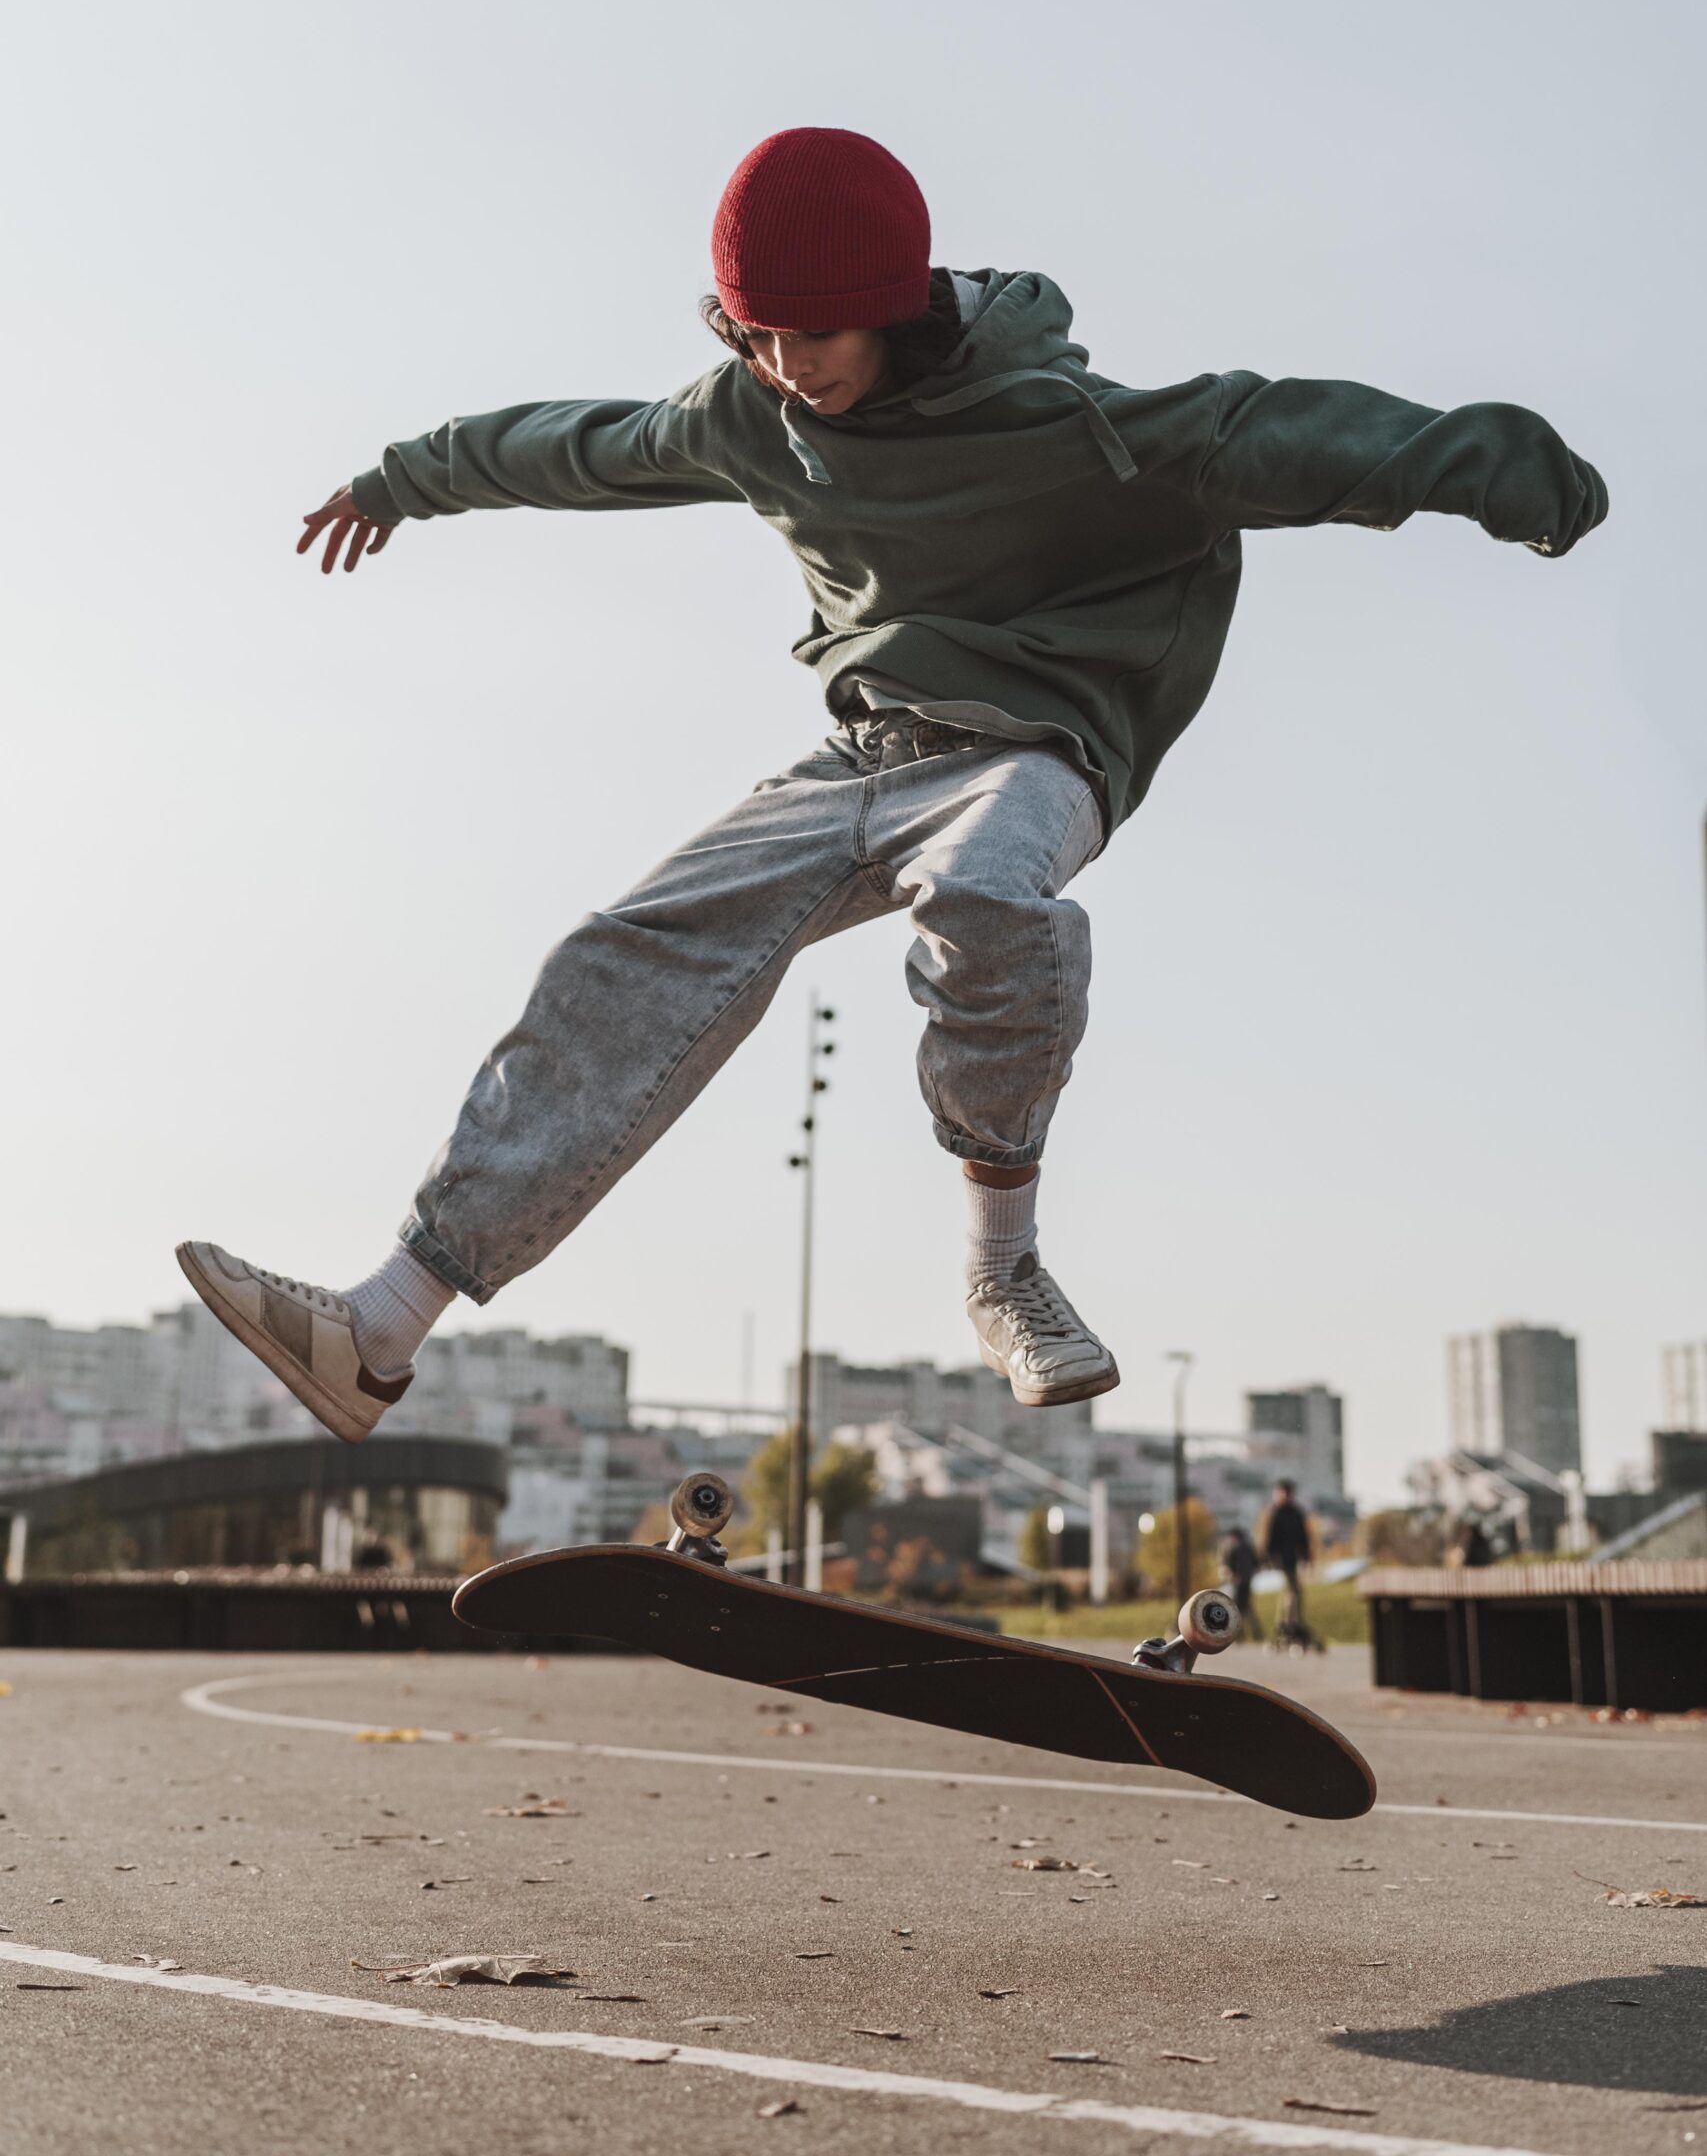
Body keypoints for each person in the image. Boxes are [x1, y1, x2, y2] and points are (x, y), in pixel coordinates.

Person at [175, 126, 1607, 1447]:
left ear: (895, 305)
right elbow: (579, 445)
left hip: (1035, 750)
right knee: (618, 956)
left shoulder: (1059, 416)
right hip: (858, 755)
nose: (791, 366)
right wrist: (403, 479)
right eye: (761, 337)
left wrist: (1499, 470)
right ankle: (378, 1329)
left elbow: (1283, 432)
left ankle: (1003, 1271)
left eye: (816, 334)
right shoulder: (747, 411)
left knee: (985, 895)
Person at [1259, 1479, 1315, 1643]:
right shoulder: (1275, 1513)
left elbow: (1303, 1537)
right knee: (1292, 1590)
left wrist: (1306, 1556)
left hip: (1293, 1558)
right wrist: (1269, 1558)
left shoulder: (1296, 1512)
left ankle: (1289, 1622)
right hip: (1282, 1559)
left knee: (1292, 1591)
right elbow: (1270, 1538)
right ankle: (1288, 1623)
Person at [1219, 1524, 1262, 1641]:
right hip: (1247, 1580)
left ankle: (1239, 1635)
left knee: (1236, 1610)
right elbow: (1256, 1564)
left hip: (1237, 1582)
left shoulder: (1233, 1547)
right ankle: (1256, 1633)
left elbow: (1228, 1564)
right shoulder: (1248, 1547)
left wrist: (1231, 1576)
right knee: (1247, 1608)